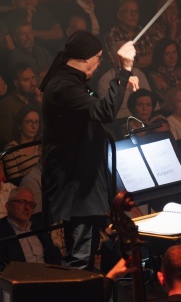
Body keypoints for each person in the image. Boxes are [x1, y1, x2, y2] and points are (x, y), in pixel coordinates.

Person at [40, 31, 138, 270]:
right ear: (85, 58)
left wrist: (123, 80)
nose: (99, 61)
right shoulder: (64, 87)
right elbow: (103, 112)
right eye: (99, 57)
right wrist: (123, 70)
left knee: (86, 253)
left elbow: (98, 104)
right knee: (80, 258)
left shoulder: (73, 82)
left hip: (83, 182)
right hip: (75, 185)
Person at [0, 186, 61, 266]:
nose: (27, 207)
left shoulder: (39, 226)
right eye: (22, 202)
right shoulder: (2, 230)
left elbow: (53, 256)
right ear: (8, 206)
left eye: (31, 204)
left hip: (49, 275)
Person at [0, 64, 41, 148]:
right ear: (16, 83)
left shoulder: (35, 100)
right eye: (26, 80)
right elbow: (7, 138)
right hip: (19, 152)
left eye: (33, 78)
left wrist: (40, 103)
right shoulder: (5, 105)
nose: (32, 83)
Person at [2, 105, 41, 185]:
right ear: (19, 125)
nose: (34, 126)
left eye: (36, 122)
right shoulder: (11, 150)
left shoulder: (41, 144)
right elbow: (15, 183)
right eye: (29, 122)